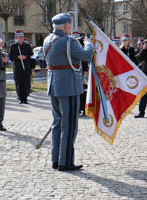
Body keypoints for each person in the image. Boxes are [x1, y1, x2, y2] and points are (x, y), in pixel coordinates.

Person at [43, 13, 94, 171]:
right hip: (68, 86)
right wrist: (88, 43)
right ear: (65, 26)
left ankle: (56, 159)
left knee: (57, 123)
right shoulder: (68, 41)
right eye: (70, 25)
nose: (70, 27)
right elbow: (87, 56)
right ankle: (65, 162)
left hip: (54, 84)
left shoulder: (47, 40)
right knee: (69, 125)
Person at [9, 30, 33, 104]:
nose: (21, 39)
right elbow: (11, 57)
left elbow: (32, 55)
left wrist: (25, 56)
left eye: (22, 37)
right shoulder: (13, 46)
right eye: (19, 37)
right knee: (19, 83)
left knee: (26, 83)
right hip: (17, 67)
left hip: (26, 67)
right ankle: (20, 97)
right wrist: (18, 57)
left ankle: (25, 98)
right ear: (16, 38)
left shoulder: (27, 46)